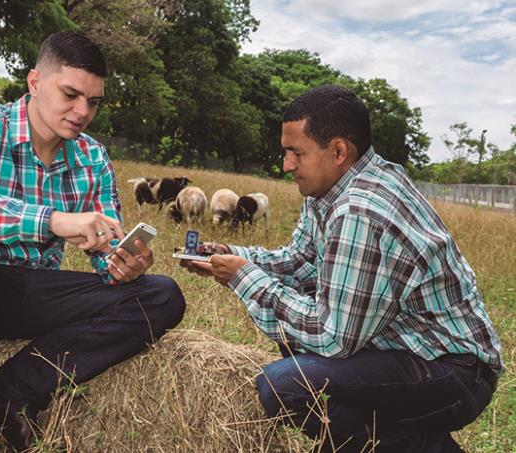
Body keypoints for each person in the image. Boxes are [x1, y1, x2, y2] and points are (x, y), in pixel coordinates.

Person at [181, 85, 501, 452]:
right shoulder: (330, 191)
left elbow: (332, 338)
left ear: (338, 151)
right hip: (405, 348)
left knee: (287, 384)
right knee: (296, 344)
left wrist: (243, 277)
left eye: (295, 153)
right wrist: (229, 253)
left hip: (452, 372)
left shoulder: (360, 210)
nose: (286, 165)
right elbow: (300, 262)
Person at [0, 31, 185, 453]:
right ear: (35, 82)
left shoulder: (92, 157)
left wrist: (120, 262)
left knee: (162, 296)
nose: (82, 112)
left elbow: (103, 250)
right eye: (71, 94)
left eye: (93, 102)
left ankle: (12, 393)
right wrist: (50, 221)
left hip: (28, 294)